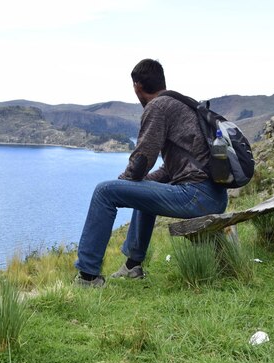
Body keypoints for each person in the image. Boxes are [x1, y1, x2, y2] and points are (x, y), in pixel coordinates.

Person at [74, 58, 228, 287]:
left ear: (137, 86)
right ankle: (132, 266)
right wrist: (138, 182)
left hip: (197, 195)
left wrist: (124, 183)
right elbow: (169, 169)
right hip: (214, 195)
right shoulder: (183, 104)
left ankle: (87, 277)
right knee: (141, 187)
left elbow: (141, 160)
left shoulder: (157, 107)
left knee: (104, 192)